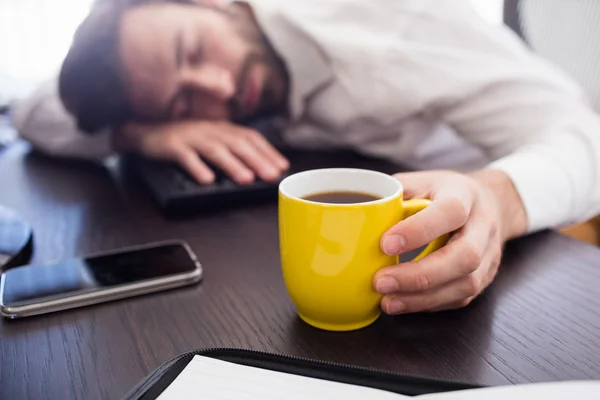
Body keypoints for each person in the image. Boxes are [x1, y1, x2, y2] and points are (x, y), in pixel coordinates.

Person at [11, 0, 600, 315]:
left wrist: (497, 197)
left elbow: (586, 139)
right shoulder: (178, 100)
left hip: (514, 240)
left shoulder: (395, 23)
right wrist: (141, 134)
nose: (216, 87)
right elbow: (35, 109)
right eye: (184, 100)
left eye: (192, 50)